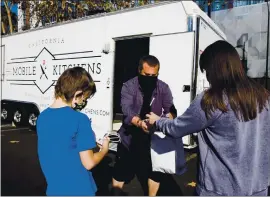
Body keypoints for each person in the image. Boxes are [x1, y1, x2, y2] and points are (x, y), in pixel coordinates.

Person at [146, 40, 270, 196]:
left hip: (219, 190)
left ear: (215, 69)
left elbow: (176, 128)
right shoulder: (263, 96)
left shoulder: (212, 99)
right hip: (258, 188)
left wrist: (157, 120)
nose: (208, 77)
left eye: (207, 71)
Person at [111, 55, 186, 196]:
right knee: (122, 171)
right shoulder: (129, 86)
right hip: (130, 137)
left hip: (152, 139)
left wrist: (167, 118)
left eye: (154, 75)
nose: (150, 78)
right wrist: (139, 123)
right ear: (139, 71)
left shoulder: (163, 87)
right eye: (147, 75)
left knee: (155, 172)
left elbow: (171, 109)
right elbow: (126, 111)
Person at [37, 67, 110, 196]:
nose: (84, 102)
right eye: (85, 98)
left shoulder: (42, 117)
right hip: (79, 189)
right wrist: (104, 149)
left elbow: (61, 149)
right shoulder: (80, 119)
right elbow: (89, 163)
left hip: (54, 189)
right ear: (77, 94)